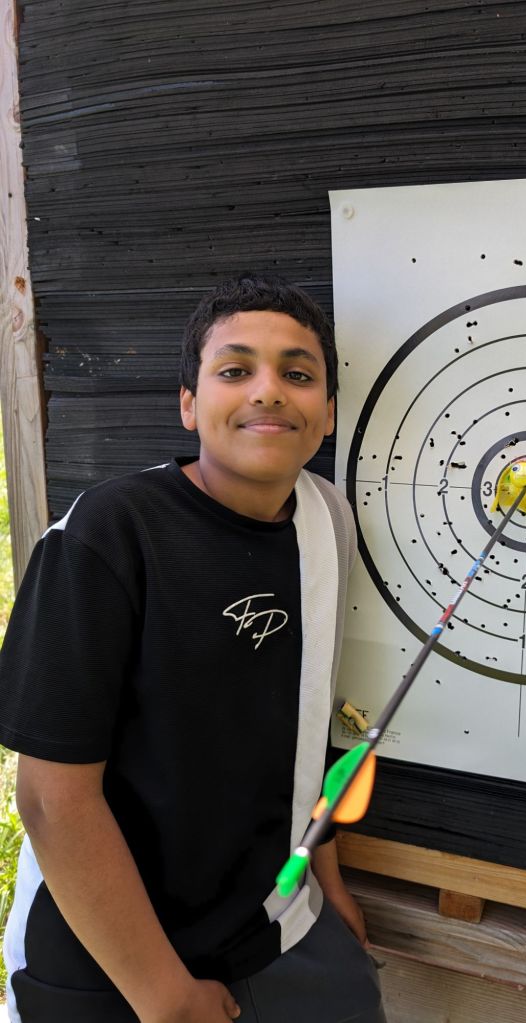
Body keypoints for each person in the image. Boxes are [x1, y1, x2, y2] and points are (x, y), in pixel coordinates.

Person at [0, 274, 386, 1022]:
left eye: (298, 375)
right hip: (109, 953)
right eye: (235, 370)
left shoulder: (326, 519)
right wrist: (165, 996)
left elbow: (308, 723)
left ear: (329, 412)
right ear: (188, 404)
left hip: (276, 923)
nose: (268, 391)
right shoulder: (108, 533)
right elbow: (51, 800)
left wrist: (326, 877)